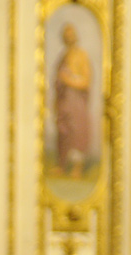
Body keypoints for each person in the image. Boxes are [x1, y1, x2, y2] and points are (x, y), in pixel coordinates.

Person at [53, 23, 91, 179]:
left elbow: (86, 82)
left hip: (76, 101)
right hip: (64, 101)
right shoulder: (63, 56)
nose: (69, 38)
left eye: (71, 35)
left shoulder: (81, 55)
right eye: (66, 36)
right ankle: (62, 165)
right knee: (64, 132)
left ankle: (77, 168)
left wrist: (68, 80)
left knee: (77, 133)